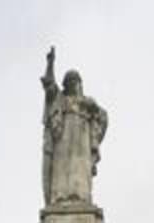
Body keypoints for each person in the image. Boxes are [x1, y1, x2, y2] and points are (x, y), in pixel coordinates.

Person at [40, 47, 108, 205]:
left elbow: (103, 117)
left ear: (79, 83)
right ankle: (60, 197)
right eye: (68, 81)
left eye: (74, 81)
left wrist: (94, 109)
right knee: (62, 169)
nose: (72, 84)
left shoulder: (87, 103)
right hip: (62, 139)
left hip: (81, 140)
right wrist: (50, 63)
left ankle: (80, 197)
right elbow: (49, 86)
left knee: (80, 170)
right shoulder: (60, 99)